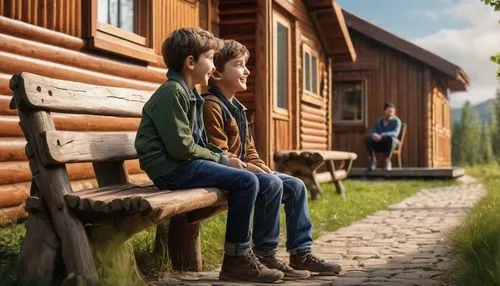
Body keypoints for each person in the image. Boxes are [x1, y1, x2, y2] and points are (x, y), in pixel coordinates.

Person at [134, 28, 285, 283]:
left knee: (252, 177)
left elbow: (199, 143)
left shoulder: (191, 94)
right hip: (170, 170)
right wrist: (224, 160)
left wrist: (231, 160)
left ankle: (249, 255)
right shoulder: (173, 92)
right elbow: (181, 148)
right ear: (191, 62)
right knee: (246, 181)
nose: (213, 65)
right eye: (211, 58)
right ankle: (237, 259)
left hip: (181, 165)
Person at [202, 39, 343, 280]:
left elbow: (249, 149)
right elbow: (217, 152)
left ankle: (301, 253)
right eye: (239, 65)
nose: (246, 70)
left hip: (245, 170)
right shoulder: (211, 106)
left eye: (246, 65)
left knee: (296, 185)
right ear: (216, 73)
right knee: (272, 183)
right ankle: (265, 253)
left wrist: (261, 165)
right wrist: (252, 169)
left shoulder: (238, 108)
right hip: (226, 172)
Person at [366, 103, 402, 171]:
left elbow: (395, 133)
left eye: (392, 112)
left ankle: (387, 161)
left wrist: (381, 135)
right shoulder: (379, 121)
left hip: (392, 143)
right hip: (380, 143)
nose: (390, 114)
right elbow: (372, 131)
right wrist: (373, 134)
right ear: (384, 111)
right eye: (389, 111)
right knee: (368, 138)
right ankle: (373, 160)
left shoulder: (397, 121)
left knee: (391, 139)